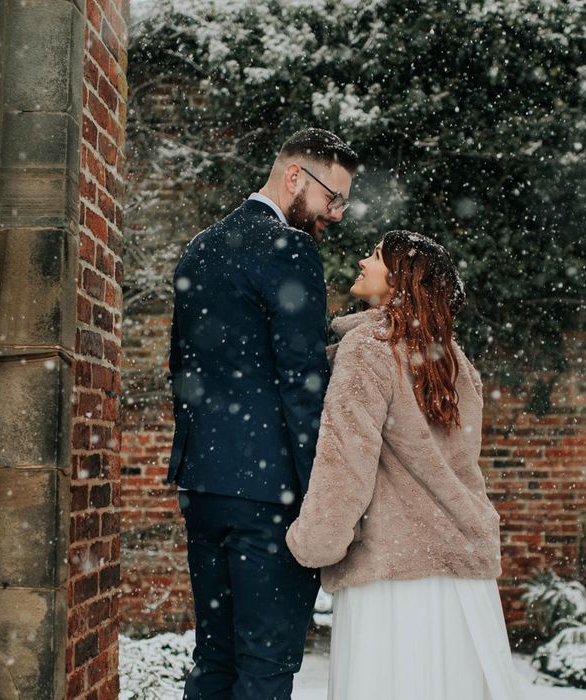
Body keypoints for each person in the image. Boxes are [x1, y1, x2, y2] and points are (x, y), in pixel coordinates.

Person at [286, 230, 525, 699]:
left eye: (374, 255)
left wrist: (312, 543)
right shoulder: (455, 360)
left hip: (391, 573)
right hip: (459, 570)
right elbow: (457, 461)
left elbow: (345, 462)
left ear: (399, 281)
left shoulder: (370, 348)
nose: (361, 260)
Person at [167, 128, 359, 699]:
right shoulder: (290, 249)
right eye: (334, 198)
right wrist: (323, 495)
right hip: (269, 495)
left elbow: (181, 367)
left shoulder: (200, 245)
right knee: (266, 667)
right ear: (296, 177)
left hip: (205, 486)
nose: (338, 214)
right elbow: (302, 383)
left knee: (215, 660)